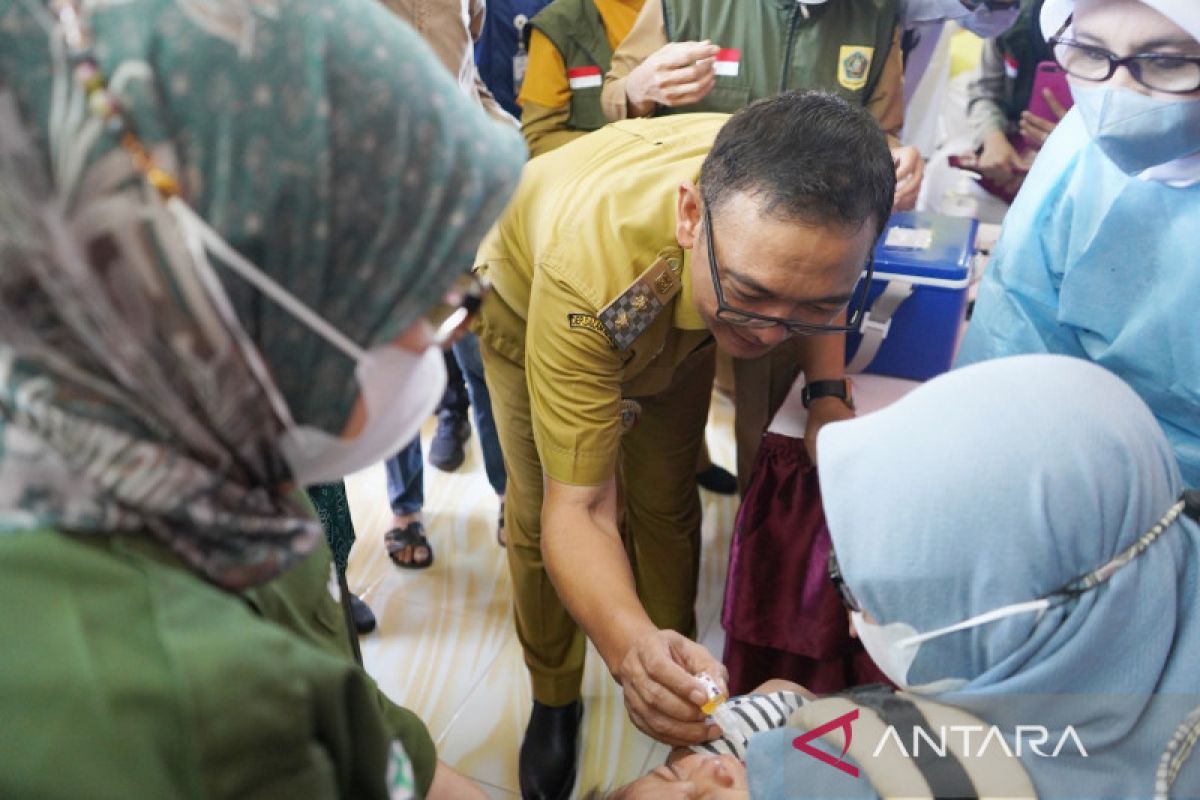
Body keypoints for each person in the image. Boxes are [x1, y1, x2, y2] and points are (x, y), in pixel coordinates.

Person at [0, 0, 524, 796]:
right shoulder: (178, 707)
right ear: (240, 309)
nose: (437, 338)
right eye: (412, 296)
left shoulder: (196, 453)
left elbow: (359, 731)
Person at [472, 90, 896, 799]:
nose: (767, 334)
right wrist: (626, 650)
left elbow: (798, 293)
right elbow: (581, 514)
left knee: (668, 496)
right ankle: (554, 696)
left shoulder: (787, 225)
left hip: (689, 314)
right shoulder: (588, 272)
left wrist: (827, 396)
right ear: (690, 215)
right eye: (751, 295)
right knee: (545, 505)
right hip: (532, 305)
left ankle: (684, 675)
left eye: (814, 305)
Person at [590, 355, 1200, 797]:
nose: (857, 632)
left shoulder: (873, 777)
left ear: (1016, 604)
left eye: (876, 597)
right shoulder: (1156, 537)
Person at [956, 0, 1200, 487]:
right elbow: (1017, 329)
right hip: (1080, 475)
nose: (1117, 95)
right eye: (1089, 53)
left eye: (1167, 62)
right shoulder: (1081, 149)